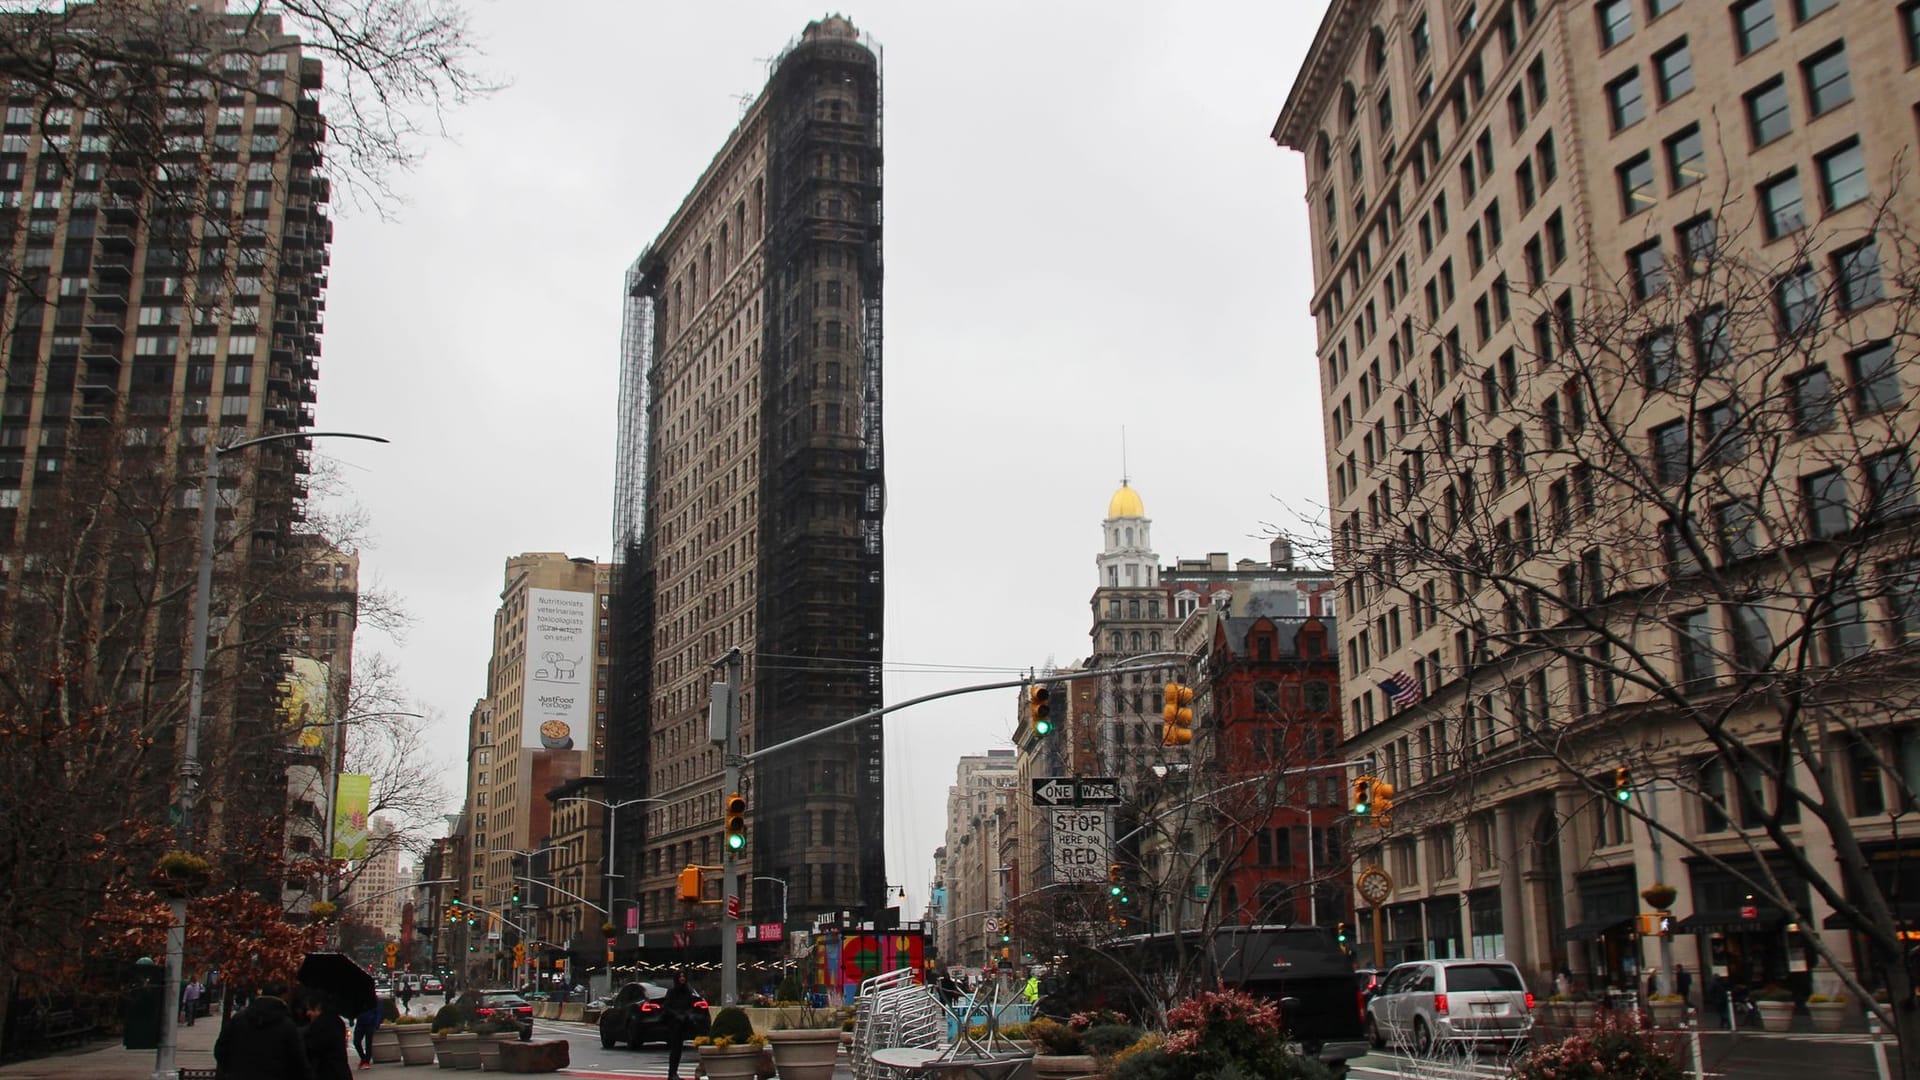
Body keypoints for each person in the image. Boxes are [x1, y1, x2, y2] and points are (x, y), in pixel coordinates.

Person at [213, 979, 312, 1080]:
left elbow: (220, 1050)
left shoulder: (238, 1019)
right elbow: (298, 1060)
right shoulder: (287, 1026)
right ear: (283, 996)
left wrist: (232, 1070)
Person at [298, 991, 354, 1080]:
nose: (307, 1013)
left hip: (329, 1073)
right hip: (339, 1071)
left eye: (310, 1009)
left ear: (318, 1007)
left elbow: (313, 1049)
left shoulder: (321, 1025)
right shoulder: (335, 1020)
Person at [662, 971, 697, 1080]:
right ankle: (672, 1073)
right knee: (675, 1049)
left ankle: (674, 1072)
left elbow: (691, 1006)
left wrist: (687, 1015)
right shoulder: (672, 992)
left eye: (683, 976)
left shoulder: (687, 992)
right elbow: (667, 1007)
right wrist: (677, 1015)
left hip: (684, 1023)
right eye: (680, 976)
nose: (682, 978)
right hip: (674, 1023)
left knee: (679, 1049)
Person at [351, 1000, 381, 1070]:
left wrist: (376, 1023)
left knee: (368, 1043)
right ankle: (363, 1058)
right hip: (360, 1023)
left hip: (370, 1024)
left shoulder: (375, 1000)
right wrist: (351, 1019)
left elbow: (379, 1012)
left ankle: (366, 1061)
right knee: (356, 1042)